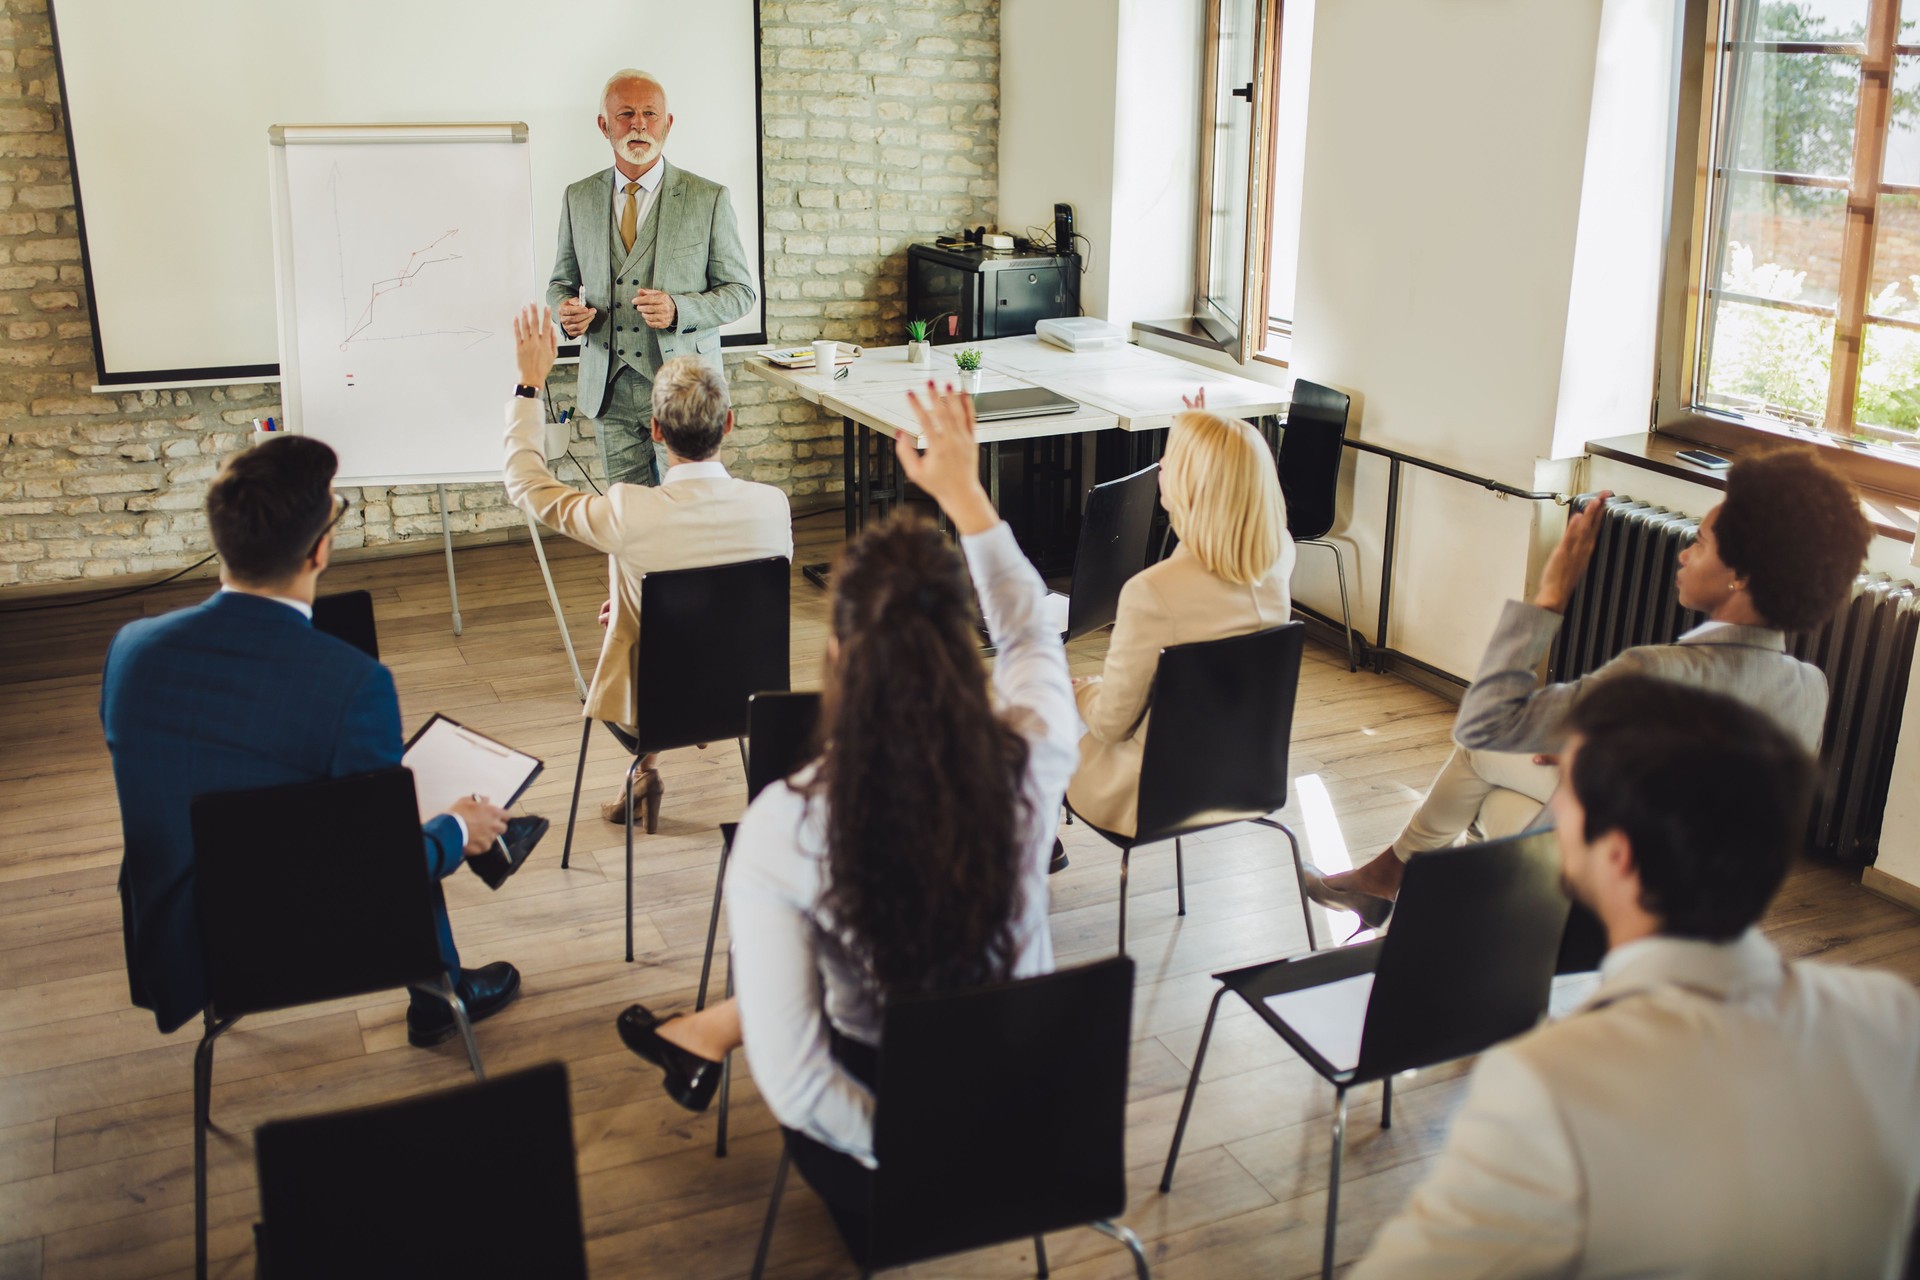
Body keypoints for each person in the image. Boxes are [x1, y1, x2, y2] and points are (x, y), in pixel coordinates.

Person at [611, 384, 1078, 1231]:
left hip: (880, 1174)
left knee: (822, 965)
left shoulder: (785, 828)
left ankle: (703, 1034)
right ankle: (703, 1034)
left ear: (834, 655)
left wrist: (912, 1142)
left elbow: (796, 1082)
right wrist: (964, 494)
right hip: (1024, 1121)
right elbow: (1031, 633)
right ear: (956, 645)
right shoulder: (1035, 757)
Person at [1353, 675, 1920, 1278]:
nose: (1553, 810)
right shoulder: (1893, 1016)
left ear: (1617, 855)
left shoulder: (1548, 1085)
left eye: (1564, 795)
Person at [1307, 446, 1872, 927]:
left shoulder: (1655, 671)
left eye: (1698, 542)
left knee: (1481, 757)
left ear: (1740, 575)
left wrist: (1549, 596)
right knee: (1493, 776)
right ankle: (1409, 888)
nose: (1683, 551)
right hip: (1703, 911)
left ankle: (1435, 902)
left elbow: (1482, 722)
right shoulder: (1809, 687)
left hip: (1608, 899)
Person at [101, 437, 529, 1048]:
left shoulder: (131, 651)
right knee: (398, 819)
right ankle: (441, 995)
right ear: (321, 548)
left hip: (184, 942)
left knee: (369, 805)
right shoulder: (353, 684)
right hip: (307, 942)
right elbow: (381, 870)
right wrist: (458, 829)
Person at [505, 304, 791, 828]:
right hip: (752, 702)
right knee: (641, 620)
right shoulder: (773, 505)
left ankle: (643, 771)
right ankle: (641, 780)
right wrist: (643, 608)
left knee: (631, 640)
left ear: (655, 432)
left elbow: (526, 485)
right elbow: (735, 595)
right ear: (729, 423)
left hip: (655, 714)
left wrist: (530, 386)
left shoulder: (627, 512)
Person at [1067, 402, 1295, 840]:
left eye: (1172, 458)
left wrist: (1087, 690)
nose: (1161, 464)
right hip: (1243, 777)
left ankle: (1035, 853)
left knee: (1024, 714)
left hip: (1148, 792)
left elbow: (1111, 724)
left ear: (1195, 482)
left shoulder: (1151, 593)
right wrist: (1207, 436)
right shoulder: (1279, 555)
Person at [548, 69, 755, 489]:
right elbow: (560, 283)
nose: (639, 124)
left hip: (685, 392)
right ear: (604, 125)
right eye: (625, 114)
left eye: (650, 114)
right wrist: (563, 311)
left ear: (668, 123)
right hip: (608, 389)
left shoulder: (708, 198)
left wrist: (681, 308)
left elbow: (741, 293)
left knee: (691, 508)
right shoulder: (578, 196)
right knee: (629, 513)